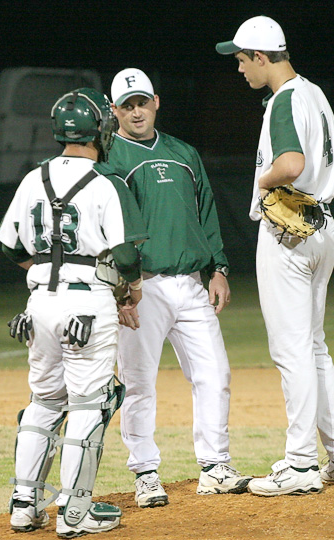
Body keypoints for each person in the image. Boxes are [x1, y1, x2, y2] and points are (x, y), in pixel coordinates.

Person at [216, 16, 334, 496]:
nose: (239, 68)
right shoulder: (314, 93)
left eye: (242, 59)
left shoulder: (282, 100)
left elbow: (291, 164)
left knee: (291, 348)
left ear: (261, 57)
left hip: (289, 234)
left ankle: (301, 464)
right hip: (322, 225)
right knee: (315, 346)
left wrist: (261, 182)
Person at [0, 88, 149, 536]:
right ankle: (74, 511)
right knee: (89, 404)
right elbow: (125, 255)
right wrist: (130, 292)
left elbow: (9, 246)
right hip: (88, 304)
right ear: (100, 130)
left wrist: (47, 271)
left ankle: (24, 505)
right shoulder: (106, 184)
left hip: (39, 303)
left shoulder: (32, 178)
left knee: (43, 401)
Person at [107, 67, 251, 508]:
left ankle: (215, 467)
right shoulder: (109, 158)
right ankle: (146, 473)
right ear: (114, 111)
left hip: (190, 284)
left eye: (142, 101)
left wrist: (218, 268)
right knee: (138, 383)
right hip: (140, 288)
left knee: (215, 374)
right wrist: (118, 290)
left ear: (156, 102)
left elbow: (206, 213)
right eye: (127, 105)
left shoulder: (184, 153)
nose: (136, 111)